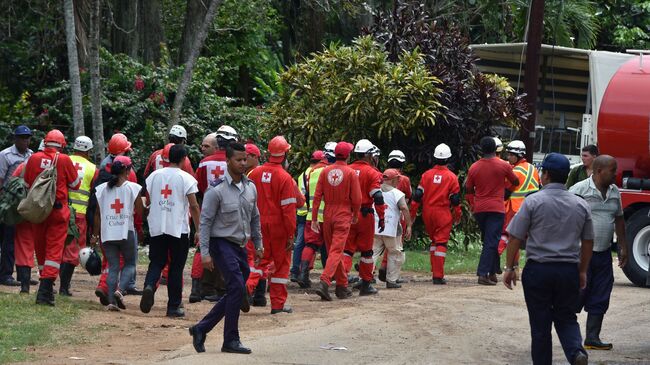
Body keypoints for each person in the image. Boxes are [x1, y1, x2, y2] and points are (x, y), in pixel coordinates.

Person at [504, 152, 593, 365]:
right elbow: (588, 241)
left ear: (545, 175)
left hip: (539, 271)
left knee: (540, 324)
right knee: (567, 317)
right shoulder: (580, 205)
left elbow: (515, 237)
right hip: (568, 270)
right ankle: (575, 352)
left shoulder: (533, 201)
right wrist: (582, 271)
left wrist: (509, 267)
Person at [189, 142, 263, 355]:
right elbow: (205, 223)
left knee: (236, 289)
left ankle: (201, 328)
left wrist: (258, 244)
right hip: (220, 244)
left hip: (240, 245)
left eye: (245, 159)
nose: (242, 163)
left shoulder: (251, 187)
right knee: (237, 287)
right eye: (238, 160)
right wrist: (204, 253)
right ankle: (230, 339)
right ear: (228, 161)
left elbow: (255, 218)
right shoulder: (217, 190)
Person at [569, 155, 628, 351]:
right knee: (576, 295)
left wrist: (623, 246)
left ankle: (592, 338)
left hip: (603, 255)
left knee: (601, 295)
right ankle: (570, 338)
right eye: (612, 170)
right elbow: (566, 219)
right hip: (580, 254)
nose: (616, 173)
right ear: (599, 171)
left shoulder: (614, 192)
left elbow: (619, 220)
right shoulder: (578, 190)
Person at [140, 145, 201, 317]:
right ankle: (173, 306)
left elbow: (149, 198)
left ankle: (149, 286)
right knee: (176, 267)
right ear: (184, 159)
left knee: (157, 262)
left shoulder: (154, 176)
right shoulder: (186, 178)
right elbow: (194, 206)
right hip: (178, 228)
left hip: (157, 226)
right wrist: (199, 229)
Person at [23, 130, 81, 305]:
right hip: (57, 212)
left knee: (40, 249)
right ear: (62, 145)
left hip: (38, 211)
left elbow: (26, 183)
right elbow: (75, 184)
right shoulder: (63, 159)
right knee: (54, 251)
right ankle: (45, 291)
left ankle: (45, 286)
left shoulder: (33, 158)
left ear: (45, 142)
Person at [244, 136, 297, 314]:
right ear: (285, 155)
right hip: (279, 227)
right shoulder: (285, 178)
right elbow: (288, 210)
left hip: (257, 224)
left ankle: (247, 287)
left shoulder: (254, 173)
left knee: (259, 260)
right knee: (281, 265)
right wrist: (291, 234)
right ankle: (277, 305)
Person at [90, 133, 142, 303]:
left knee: (112, 267)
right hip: (126, 231)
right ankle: (120, 290)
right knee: (129, 264)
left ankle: (112, 301)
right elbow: (140, 211)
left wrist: (95, 235)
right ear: (126, 170)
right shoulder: (132, 186)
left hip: (107, 233)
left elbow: (97, 213)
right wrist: (140, 226)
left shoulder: (102, 186)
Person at [191, 126, 239, 304]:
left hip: (208, 208)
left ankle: (202, 288)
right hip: (229, 209)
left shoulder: (205, 163)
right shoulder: (235, 161)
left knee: (204, 247)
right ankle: (222, 288)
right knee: (227, 246)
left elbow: (200, 187)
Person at [465, 136, 519, 285]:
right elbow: (516, 181)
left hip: (480, 209)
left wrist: (472, 204)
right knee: (491, 241)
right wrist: (507, 192)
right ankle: (483, 274)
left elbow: (468, 189)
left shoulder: (474, 167)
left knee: (489, 240)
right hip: (496, 208)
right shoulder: (503, 165)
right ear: (496, 149)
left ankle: (493, 271)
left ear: (481, 150)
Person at [312, 142, 361, 301]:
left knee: (334, 250)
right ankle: (325, 281)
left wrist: (314, 217)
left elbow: (317, 196)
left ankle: (342, 286)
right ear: (348, 155)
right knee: (336, 251)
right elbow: (357, 198)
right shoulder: (350, 173)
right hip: (343, 213)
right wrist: (355, 214)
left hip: (328, 214)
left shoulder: (325, 171)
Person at [411, 143, 461, 285]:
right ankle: (438, 275)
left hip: (428, 213)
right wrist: (457, 216)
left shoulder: (426, 175)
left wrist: (413, 213)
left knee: (434, 241)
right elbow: (455, 200)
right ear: (448, 159)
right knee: (441, 243)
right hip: (443, 213)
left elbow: (417, 196)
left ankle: (435, 270)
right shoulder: (452, 177)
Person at [343, 139, 386, 295]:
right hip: (365, 214)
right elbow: (378, 197)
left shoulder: (346, 169)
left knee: (347, 250)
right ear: (368, 155)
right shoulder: (373, 173)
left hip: (347, 214)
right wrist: (381, 217)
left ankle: (342, 281)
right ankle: (365, 284)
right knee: (367, 252)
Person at [59, 136, 98, 296]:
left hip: (60, 210)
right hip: (79, 214)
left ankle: (50, 282)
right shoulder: (92, 168)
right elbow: (94, 196)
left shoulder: (63, 160)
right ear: (89, 151)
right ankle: (63, 287)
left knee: (57, 248)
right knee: (72, 252)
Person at [0, 125, 33, 286]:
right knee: (8, 240)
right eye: (22, 138)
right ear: (15, 139)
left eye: (27, 138)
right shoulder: (5, 155)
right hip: (9, 203)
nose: (25, 141)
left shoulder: (32, 155)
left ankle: (23, 275)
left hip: (24, 204)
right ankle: (6, 274)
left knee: (22, 240)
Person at [497, 140, 540, 262]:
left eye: (511, 155)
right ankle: (516, 268)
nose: (508, 157)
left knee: (508, 237)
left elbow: (506, 191)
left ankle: (496, 260)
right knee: (523, 239)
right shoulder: (533, 168)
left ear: (519, 156)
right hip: (532, 209)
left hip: (514, 209)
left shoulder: (515, 172)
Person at [372, 169, 412, 288]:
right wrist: (409, 225)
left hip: (376, 227)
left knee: (373, 252)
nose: (399, 180)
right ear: (393, 180)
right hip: (392, 229)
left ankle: (365, 277)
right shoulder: (397, 193)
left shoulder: (375, 190)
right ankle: (391, 280)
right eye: (397, 178)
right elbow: (404, 207)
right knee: (395, 253)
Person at [295, 150, 327, 288]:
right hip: (327, 215)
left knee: (309, 245)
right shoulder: (328, 172)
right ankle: (333, 277)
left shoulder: (306, 175)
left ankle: (302, 274)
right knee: (332, 248)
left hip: (310, 215)